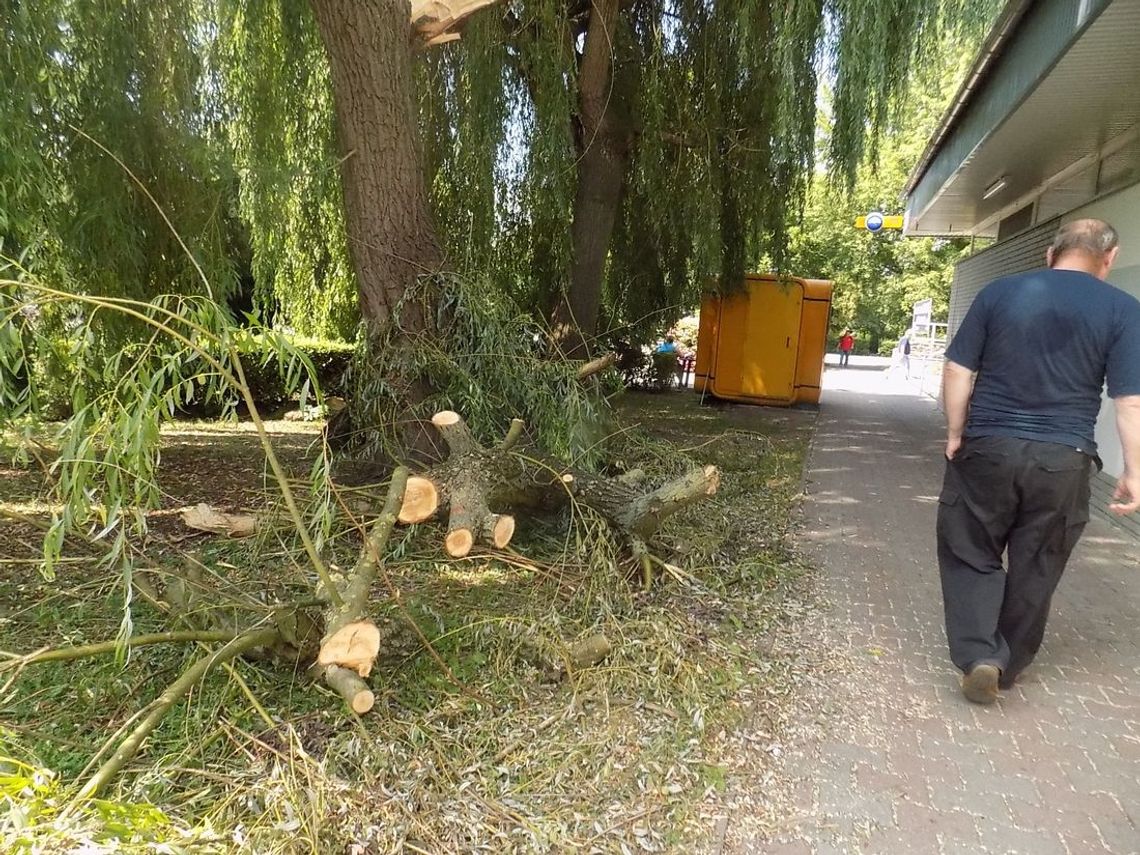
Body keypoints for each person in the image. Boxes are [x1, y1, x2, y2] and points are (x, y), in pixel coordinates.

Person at [937, 218, 1140, 704]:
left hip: (989, 446)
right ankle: (1006, 664)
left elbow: (958, 369)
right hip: (1064, 458)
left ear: (1050, 254)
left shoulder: (999, 292)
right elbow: (1130, 401)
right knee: (1039, 561)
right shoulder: (1123, 310)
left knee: (970, 548)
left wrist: (955, 431)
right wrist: (1134, 471)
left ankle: (979, 654)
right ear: (1109, 259)